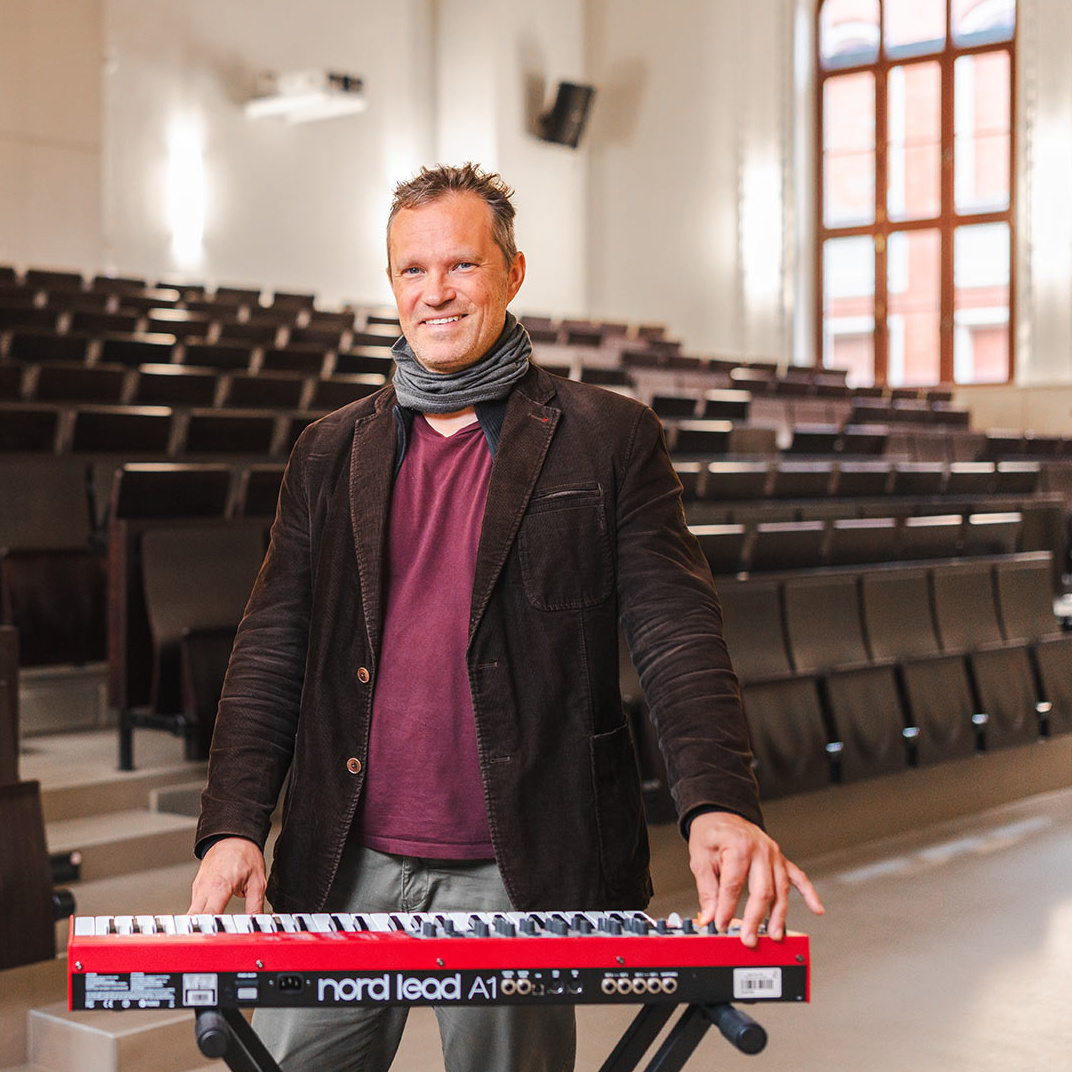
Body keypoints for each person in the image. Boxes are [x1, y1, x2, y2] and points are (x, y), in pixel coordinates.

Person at [189, 162, 824, 1072]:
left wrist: (716, 804)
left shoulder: (608, 437)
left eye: (461, 265)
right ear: (392, 284)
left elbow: (676, 633)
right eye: (412, 270)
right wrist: (234, 827)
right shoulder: (331, 452)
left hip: (517, 865)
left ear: (512, 273)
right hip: (345, 858)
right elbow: (271, 650)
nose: (435, 292)